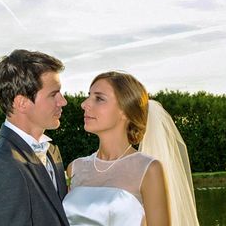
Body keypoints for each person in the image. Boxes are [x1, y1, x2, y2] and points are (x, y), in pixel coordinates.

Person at [63, 72, 199, 226]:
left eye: (99, 98)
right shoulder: (75, 168)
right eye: (89, 96)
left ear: (125, 111)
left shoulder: (148, 169)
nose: (84, 104)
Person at [0, 49, 70, 226]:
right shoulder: (0, 166)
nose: (63, 101)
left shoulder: (52, 152)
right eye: (53, 94)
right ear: (22, 103)